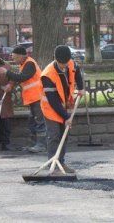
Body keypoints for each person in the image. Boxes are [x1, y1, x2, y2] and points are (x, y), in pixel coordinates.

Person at [40, 45, 85, 173]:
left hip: (64, 105)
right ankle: (52, 166)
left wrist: (80, 88)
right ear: (55, 59)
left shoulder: (70, 63)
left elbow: (76, 72)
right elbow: (53, 101)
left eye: (65, 63)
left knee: (64, 136)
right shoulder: (48, 75)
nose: (64, 66)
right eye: (61, 64)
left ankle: (61, 162)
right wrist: (66, 117)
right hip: (50, 108)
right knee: (54, 135)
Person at [0, 46, 46, 153]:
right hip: (34, 97)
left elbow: (22, 77)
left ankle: (41, 145)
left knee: (39, 121)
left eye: (15, 57)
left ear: (20, 56)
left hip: (38, 96)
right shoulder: (24, 64)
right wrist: (10, 85)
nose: (14, 60)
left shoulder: (29, 63)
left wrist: (7, 73)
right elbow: (19, 78)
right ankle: (34, 144)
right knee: (32, 121)